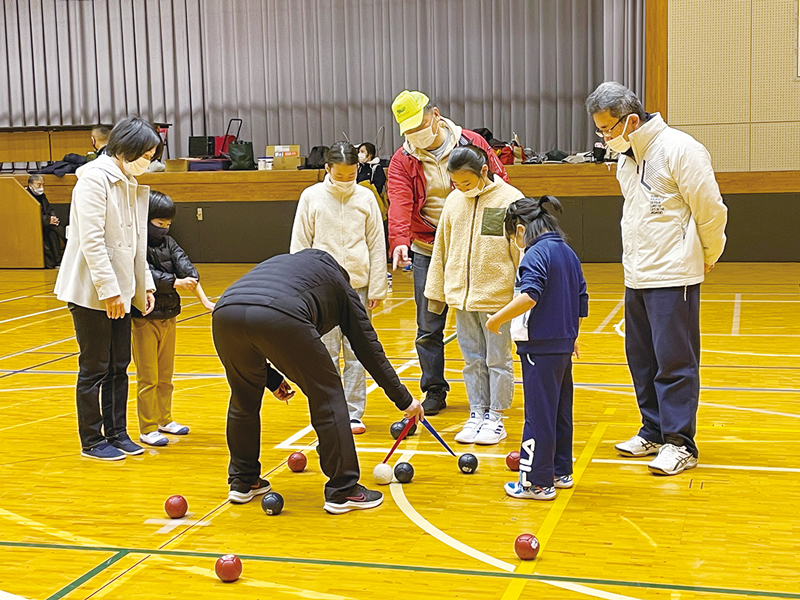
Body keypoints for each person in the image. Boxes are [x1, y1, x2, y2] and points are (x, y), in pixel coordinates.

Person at [212, 249, 424, 513]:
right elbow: (368, 349)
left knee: (243, 397)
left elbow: (251, 322)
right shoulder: (339, 286)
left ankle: (243, 481)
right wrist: (405, 400)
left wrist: (272, 379)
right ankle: (343, 490)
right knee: (328, 394)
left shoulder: (289, 267)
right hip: (280, 314)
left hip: (224, 313)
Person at [586, 82, 728, 475]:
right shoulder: (626, 159)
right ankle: (653, 429)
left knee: (674, 361)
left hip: (673, 275)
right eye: (599, 130)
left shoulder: (681, 149)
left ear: (631, 120)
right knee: (642, 359)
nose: (604, 138)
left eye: (608, 129)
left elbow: (711, 211)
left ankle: (681, 442)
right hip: (637, 275)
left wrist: (708, 255)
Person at [388, 90, 509, 416]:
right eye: (408, 129)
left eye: (419, 125)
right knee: (428, 326)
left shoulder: (470, 143)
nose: (415, 134)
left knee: (484, 323)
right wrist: (399, 240)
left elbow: (499, 185)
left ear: (435, 115)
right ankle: (434, 390)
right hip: (428, 248)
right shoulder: (403, 159)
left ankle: (489, 396)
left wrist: (494, 238)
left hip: (472, 245)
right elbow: (399, 202)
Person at [54, 116, 161, 461]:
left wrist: (141, 285)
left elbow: (135, 242)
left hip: (122, 289)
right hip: (91, 291)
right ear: (126, 149)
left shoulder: (127, 181)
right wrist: (110, 292)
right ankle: (92, 439)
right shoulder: (93, 181)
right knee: (95, 367)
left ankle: (117, 432)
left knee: (119, 364)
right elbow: (93, 242)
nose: (149, 160)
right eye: (146, 153)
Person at [486, 197, 588, 500]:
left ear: (520, 230)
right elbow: (581, 299)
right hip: (562, 343)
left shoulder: (534, 254)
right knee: (559, 411)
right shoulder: (567, 252)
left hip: (539, 346)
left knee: (538, 414)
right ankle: (559, 471)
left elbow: (530, 295)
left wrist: (497, 318)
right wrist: (572, 336)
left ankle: (536, 482)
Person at [424, 146, 523, 445]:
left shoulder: (511, 200)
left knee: (497, 359)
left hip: (498, 300)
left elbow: (520, 250)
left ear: (483, 171)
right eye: (455, 183)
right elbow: (441, 247)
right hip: (462, 298)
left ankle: (496, 416)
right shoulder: (454, 201)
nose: (461, 189)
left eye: (466, 183)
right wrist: (437, 292)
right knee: (471, 360)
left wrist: (523, 293)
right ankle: (476, 413)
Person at [290, 142, 388, 435]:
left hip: (357, 288)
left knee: (357, 353)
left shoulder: (366, 198)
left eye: (352, 174)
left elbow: (375, 244)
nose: (347, 180)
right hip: (321, 290)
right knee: (324, 354)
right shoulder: (311, 197)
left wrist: (377, 288)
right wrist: (300, 289)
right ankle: (328, 409)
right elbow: (300, 243)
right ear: (328, 169)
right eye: (341, 174)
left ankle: (354, 413)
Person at [131, 191, 216, 447]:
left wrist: (201, 295)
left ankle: (164, 419)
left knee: (165, 375)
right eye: (159, 224)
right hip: (144, 318)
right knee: (148, 377)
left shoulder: (170, 243)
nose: (164, 229)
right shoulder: (137, 246)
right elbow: (147, 275)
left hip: (169, 316)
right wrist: (174, 282)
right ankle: (147, 428)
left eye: (168, 224)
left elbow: (185, 265)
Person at [26, 174, 66, 269]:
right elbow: (31, 215)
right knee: (57, 229)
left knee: (53, 231)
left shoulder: (42, 195)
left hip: (46, 223)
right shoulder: (26, 196)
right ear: (30, 185)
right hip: (34, 226)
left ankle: (58, 261)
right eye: (38, 185)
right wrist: (48, 220)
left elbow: (49, 207)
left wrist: (53, 217)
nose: (41, 188)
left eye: (43, 185)